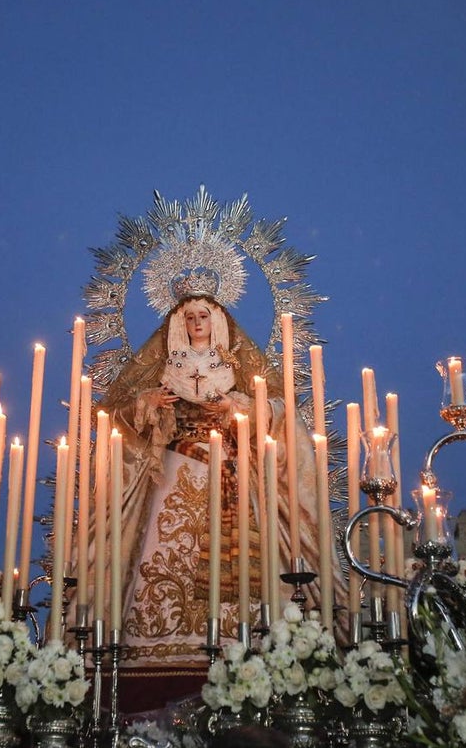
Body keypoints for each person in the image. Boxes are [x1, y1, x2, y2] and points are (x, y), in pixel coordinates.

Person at [93, 293, 343, 711]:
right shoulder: (163, 367)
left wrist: (243, 406)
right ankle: (154, 652)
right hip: (175, 470)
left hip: (230, 472)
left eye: (202, 316)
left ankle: (242, 641)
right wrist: (147, 404)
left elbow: (283, 412)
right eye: (187, 317)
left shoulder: (240, 366)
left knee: (247, 559)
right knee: (159, 556)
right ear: (177, 324)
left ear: (218, 321)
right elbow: (111, 418)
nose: (195, 322)